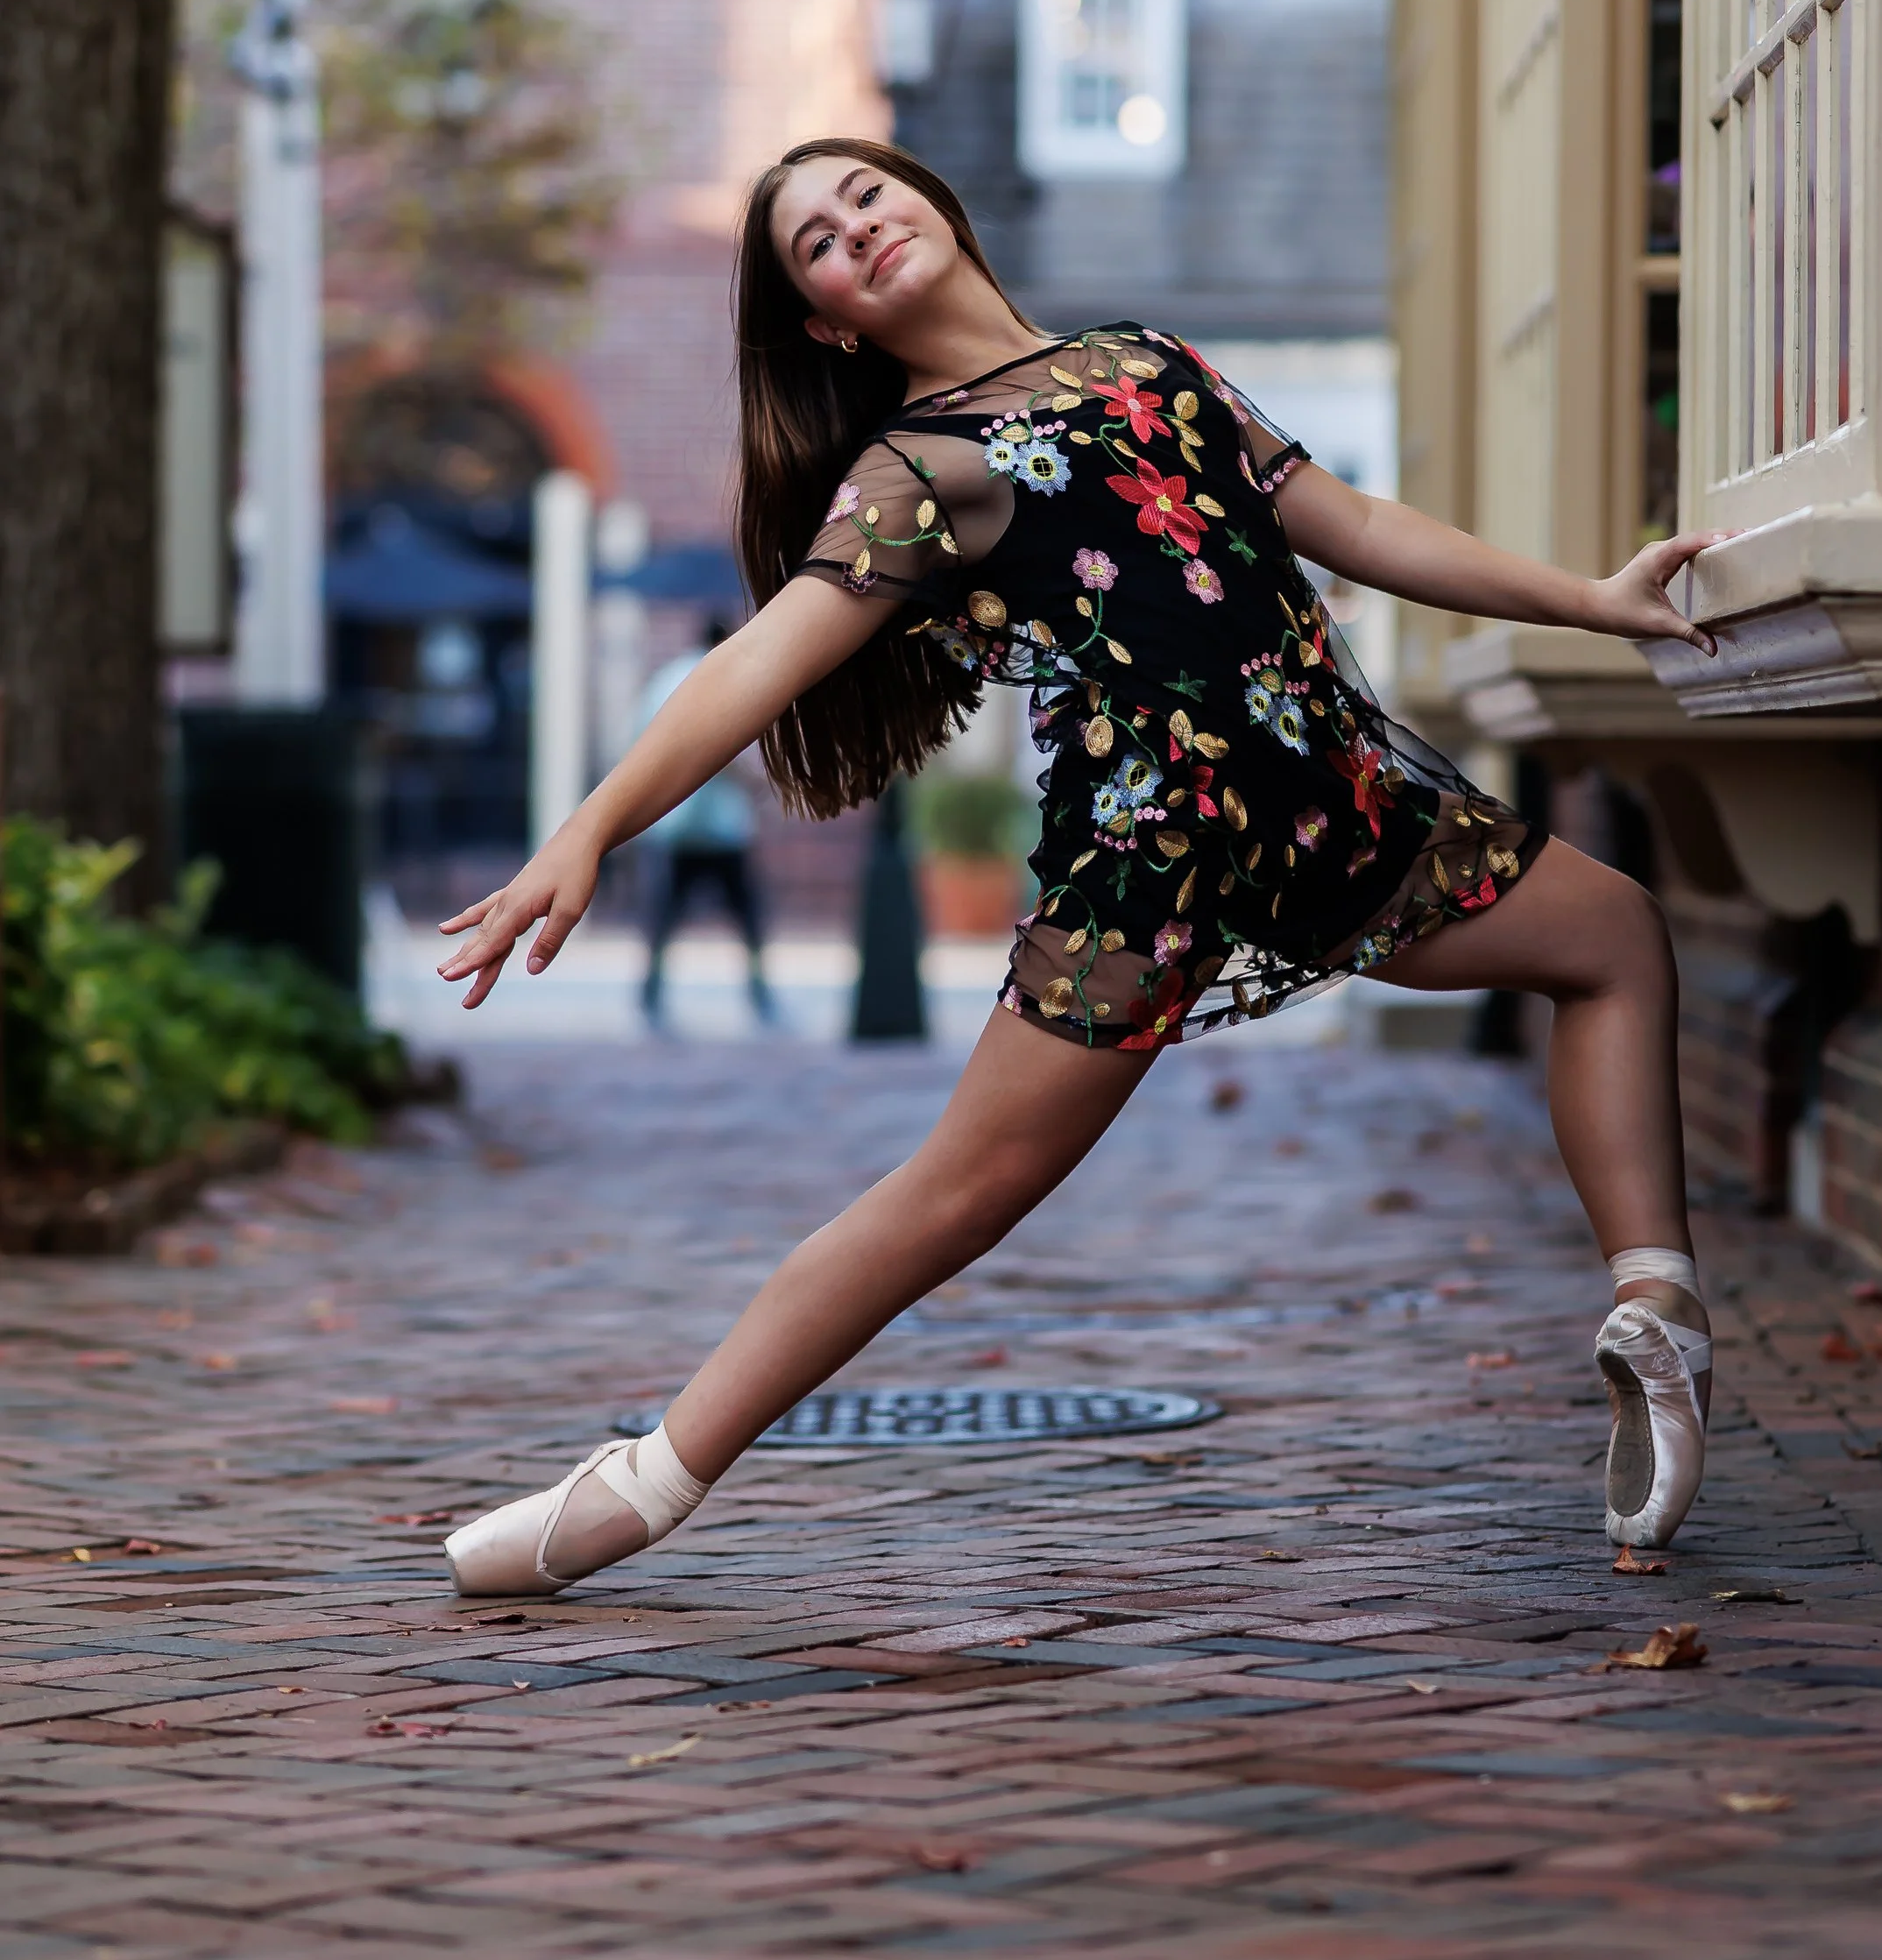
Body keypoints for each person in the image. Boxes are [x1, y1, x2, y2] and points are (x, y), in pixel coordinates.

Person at [438, 139, 1723, 1598]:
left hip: (1332, 800)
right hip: (1156, 848)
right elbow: (763, 658)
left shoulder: (1149, 361)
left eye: (864, 197)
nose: (855, 231)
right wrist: (591, 827)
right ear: (829, 323)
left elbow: (1355, 526)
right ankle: (640, 1488)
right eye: (817, 245)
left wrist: (1593, 604)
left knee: (1614, 937)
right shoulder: (925, 466)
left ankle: (1655, 1310)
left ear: (932, 199)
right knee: (957, 1192)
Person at [631, 626, 778, 1032]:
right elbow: (720, 747)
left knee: (663, 919)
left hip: (673, 823)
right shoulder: (721, 675)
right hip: (720, 828)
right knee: (748, 918)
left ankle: (650, 999)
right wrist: (753, 785)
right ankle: (761, 999)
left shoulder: (663, 679)